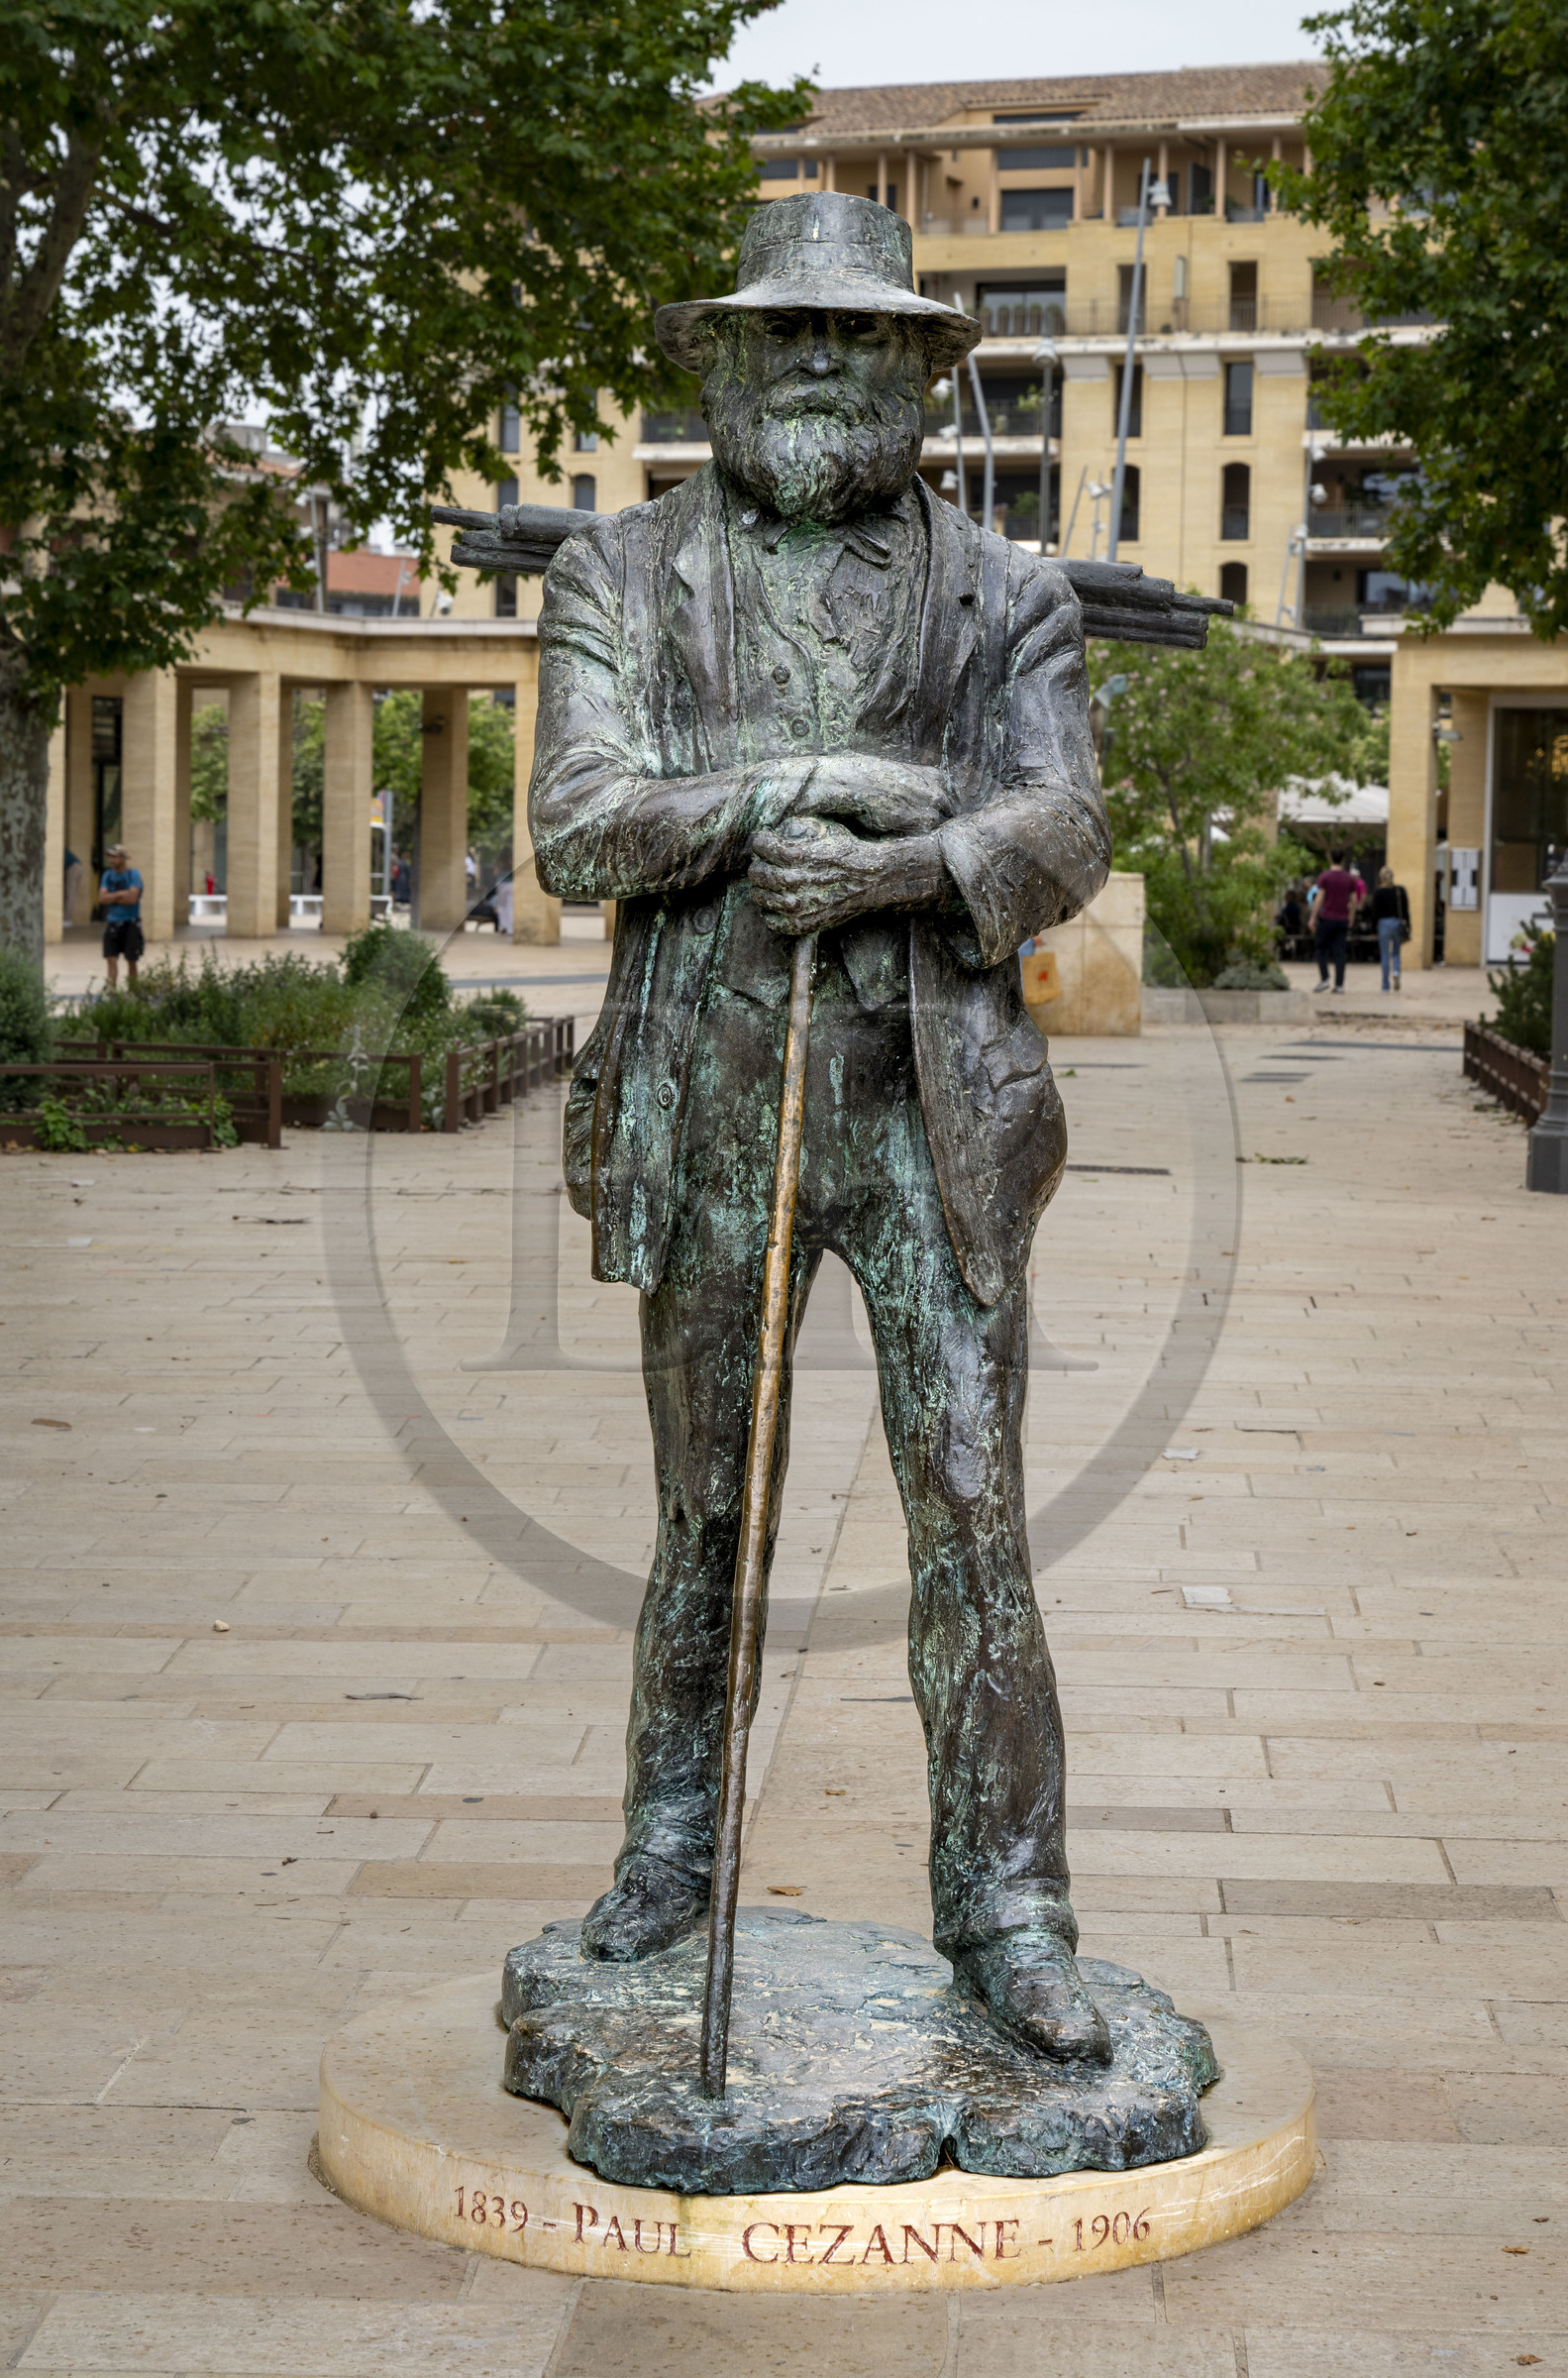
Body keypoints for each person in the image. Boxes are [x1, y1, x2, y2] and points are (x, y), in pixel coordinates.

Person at [531, 193, 1112, 2064]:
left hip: (935, 1109)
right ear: (718, 358)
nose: (816, 365)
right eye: (785, 332)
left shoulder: (1007, 592)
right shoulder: (613, 575)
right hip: (710, 1105)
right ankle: (668, 1853)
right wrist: (801, 779)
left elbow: (1062, 827)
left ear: (927, 371)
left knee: (971, 1518)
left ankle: (1014, 1912)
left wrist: (898, 867)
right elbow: (578, 823)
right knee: (708, 1514)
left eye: (859, 337)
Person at [1308, 849, 1367, 993]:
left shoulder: (1325, 877)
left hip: (1327, 918)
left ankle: (1324, 979)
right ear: (1343, 860)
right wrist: (1351, 916)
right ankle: (1339, 985)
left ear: (1330, 859)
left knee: (1321, 949)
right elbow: (1354, 900)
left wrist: (1313, 917)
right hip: (1342, 919)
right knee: (1340, 952)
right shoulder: (1349, 879)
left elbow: (1320, 897)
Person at [96, 844, 145, 986]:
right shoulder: (107, 875)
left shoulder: (133, 874)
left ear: (123, 858)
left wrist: (112, 896)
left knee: (132, 959)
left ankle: (133, 990)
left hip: (131, 922)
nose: (111, 860)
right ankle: (111, 990)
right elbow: (101, 898)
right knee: (111, 958)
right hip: (113, 922)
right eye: (110, 857)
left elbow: (133, 898)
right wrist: (121, 893)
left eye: (115, 857)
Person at [1371, 864, 1410, 991]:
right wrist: (1408, 926)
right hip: (1397, 923)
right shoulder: (1400, 890)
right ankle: (1396, 971)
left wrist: (1373, 929)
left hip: (1383, 924)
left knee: (1385, 954)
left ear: (1381, 877)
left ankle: (1385, 984)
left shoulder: (1378, 892)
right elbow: (1405, 911)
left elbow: (1375, 913)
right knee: (1396, 953)